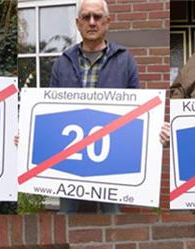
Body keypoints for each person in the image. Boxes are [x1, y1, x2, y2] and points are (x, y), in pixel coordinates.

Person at [48, 0, 139, 214]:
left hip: (112, 156)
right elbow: (49, 109)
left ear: (107, 22)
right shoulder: (62, 62)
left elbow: (139, 110)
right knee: (67, 216)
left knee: (112, 215)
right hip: (69, 155)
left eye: (97, 17)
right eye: (86, 17)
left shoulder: (125, 60)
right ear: (78, 23)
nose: (91, 22)